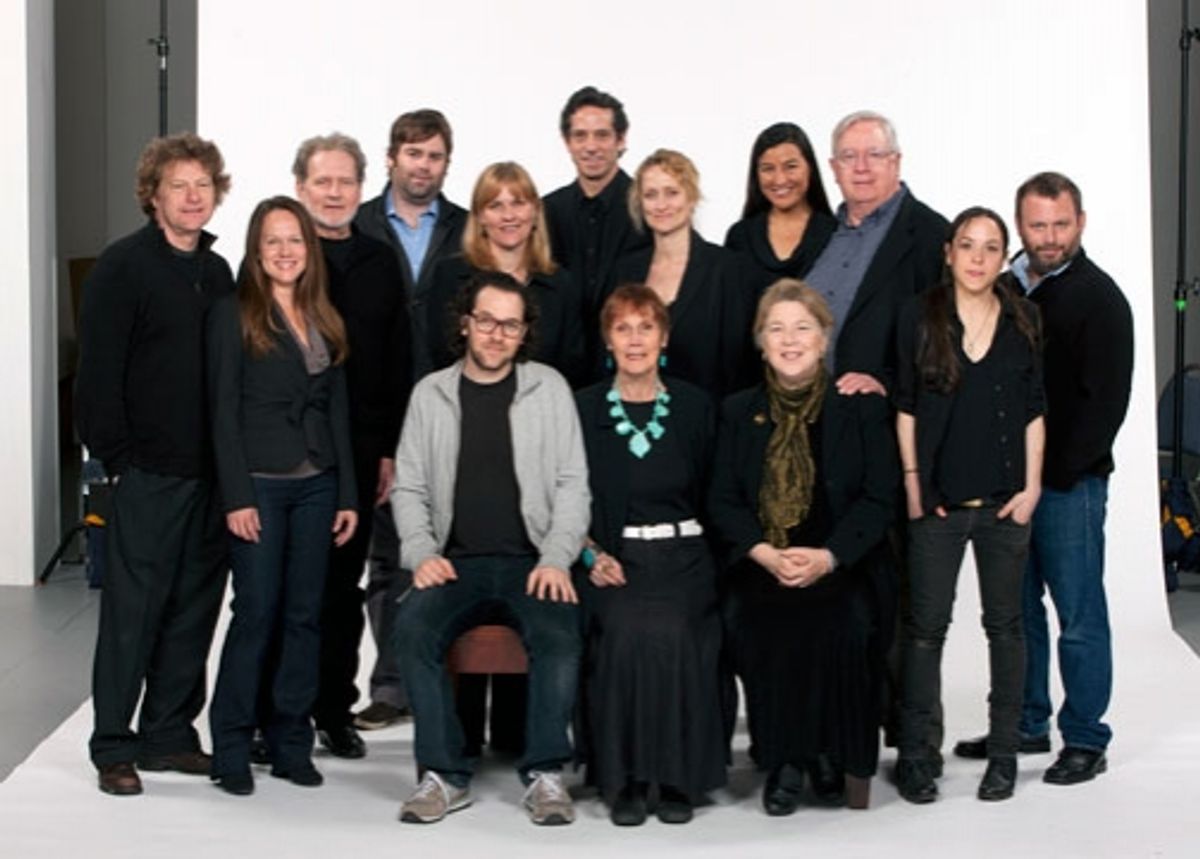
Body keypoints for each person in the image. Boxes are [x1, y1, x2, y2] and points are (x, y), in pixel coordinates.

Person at [953, 173, 1133, 787]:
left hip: (1067, 487)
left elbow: (1104, 408)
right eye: (1037, 226)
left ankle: (1085, 737)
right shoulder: (1002, 288)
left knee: (1078, 614)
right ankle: (1026, 723)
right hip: (1006, 485)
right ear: (1019, 227)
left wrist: (1045, 479)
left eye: (1061, 224)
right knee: (1016, 610)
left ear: (1080, 221)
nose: (1050, 237)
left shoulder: (1100, 299)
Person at [391, 272, 589, 825]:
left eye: (511, 324)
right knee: (412, 631)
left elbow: (574, 483)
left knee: (559, 634)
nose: (497, 334)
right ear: (465, 323)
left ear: (525, 332)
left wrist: (556, 557)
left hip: (532, 563)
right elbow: (408, 486)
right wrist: (421, 551)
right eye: (487, 321)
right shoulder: (430, 393)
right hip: (454, 565)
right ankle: (444, 775)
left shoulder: (548, 388)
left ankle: (545, 774)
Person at [76, 132, 235, 796]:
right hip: (145, 472)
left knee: (194, 608)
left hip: (211, 474)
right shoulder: (123, 266)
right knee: (132, 612)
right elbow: (97, 374)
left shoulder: (219, 271)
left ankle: (168, 733)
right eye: (179, 185)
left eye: (204, 184)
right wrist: (116, 463)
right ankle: (114, 743)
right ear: (153, 194)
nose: (193, 196)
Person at [708, 279, 898, 815]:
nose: (790, 340)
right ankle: (785, 759)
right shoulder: (738, 411)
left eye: (802, 328)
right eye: (777, 329)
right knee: (758, 619)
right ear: (760, 341)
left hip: (841, 562)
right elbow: (723, 500)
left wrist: (828, 557)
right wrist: (764, 553)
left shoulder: (858, 407)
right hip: (763, 562)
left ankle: (828, 753)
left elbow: (877, 498)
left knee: (845, 622)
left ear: (824, 337)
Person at [893, 207, 1046, 804]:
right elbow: (906, 404)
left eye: (990, 247)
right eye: (967, 245)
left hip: (1006, 503)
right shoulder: (919, 315)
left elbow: (1035, 407)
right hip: (938, 504)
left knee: (1005, 630)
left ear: (1002, 256)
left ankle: (1003, 755)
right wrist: (913, 485)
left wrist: (1032, 488)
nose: (978, 258)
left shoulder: (1024, 318)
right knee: (925, 631)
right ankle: (916, 756)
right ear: (949, 253)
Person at [206, 197, 358, 796]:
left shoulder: (324, 314)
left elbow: (337, 410)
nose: (286, 251)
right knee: (257, 613)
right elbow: (221, 413)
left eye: (295, 240)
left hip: (318, 483)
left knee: (304, 616)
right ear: (256, 249)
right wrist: (236, 495)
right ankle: (232, 746)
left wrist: (347, 490)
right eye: (273, 241)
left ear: (309, 248)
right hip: (261, 488)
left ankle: (291, 741)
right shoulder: (233, 314)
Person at [575, 285, 725, 826]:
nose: (634, 339)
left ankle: (680, 777)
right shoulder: (583, 407)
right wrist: (591, 556)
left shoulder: (695, 406)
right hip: (613, 559)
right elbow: (562, 497)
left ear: (664, 337)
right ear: (607, 340)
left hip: (686, 557)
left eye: (646, 327)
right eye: (622, 328)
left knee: (681, 634)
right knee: (623, 635)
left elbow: (718, 496)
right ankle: (629, 779)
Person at [292, 133, 412, 759]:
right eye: (322, 181)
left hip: (362, 450)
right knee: (290, 588)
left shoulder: (379, 260)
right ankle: (277, 714)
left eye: (345, 182)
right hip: (288, 451)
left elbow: (396, 361)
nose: (334, 192)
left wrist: (389, 450)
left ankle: (333, 711)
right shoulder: (281, 255)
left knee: (342, 588)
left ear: (361, 189)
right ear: (300, 187)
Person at [354, 109, 466, 731]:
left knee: (449, 548)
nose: (423, 165)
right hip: (381, 411)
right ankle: (391, 685)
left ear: (447, 163)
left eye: (434, 155)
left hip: (452, 412)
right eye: (413, 153)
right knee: (389, 556)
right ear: (392, 156)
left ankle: (446, 680)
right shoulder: (362, 224)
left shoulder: (466, 228)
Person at [805, 110, 947, 396]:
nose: (861, 167)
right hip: (808, 414)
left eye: (874, 155)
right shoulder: (815, 234)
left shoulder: (933, 236)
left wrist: (891, 385)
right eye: (848, 156)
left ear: (895, 162)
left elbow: (947, 342)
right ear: (833, 168)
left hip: (880, 420)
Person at [428, 161, 585, 386]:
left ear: (535, 212)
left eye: (518, 203)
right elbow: (442, 357)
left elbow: (573, 368)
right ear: (480, 217)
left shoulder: (560, 284)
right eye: (495, 206)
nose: (508, 216)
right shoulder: (450, 277)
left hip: (541, 412)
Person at [615, 149, 754, 397]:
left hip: (707, 421)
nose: (661, 205)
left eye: (672, 193)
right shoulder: (624, 271)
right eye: (650, 195)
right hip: (635, 420)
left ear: (691, 198)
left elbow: (739, 364)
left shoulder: (728, 270)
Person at [543, 86, 649, 376]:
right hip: (559, 371)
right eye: (580, 135)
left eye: (602, 135)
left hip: (631, 368)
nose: (591, 146)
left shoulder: (649, 207)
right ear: (567, 142)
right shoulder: (545, 211)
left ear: (621, 139)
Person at [724, 122, 837, 293]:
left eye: (791, 166)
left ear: (810, 168)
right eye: (768, 169)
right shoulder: (740, 237)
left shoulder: (835, 234)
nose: (780, 180)